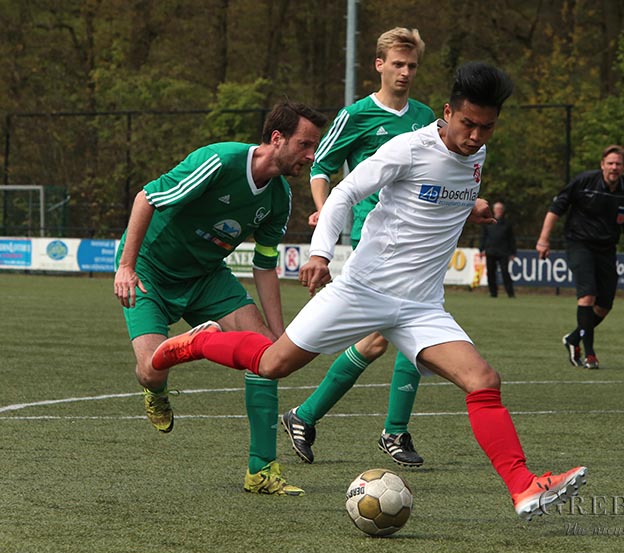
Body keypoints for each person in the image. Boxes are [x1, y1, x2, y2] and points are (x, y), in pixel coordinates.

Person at [150, 62, 587, 520]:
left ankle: (522, 486)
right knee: (272, 363)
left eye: (487, 127)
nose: (476, 136)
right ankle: (199, 342)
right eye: (468, 124)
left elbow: (441, 194)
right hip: (363, 291)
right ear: (447, 112)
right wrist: (321, 254)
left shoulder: (476, 156)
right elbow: (344, 195)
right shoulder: (408, 148)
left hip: (421, 307)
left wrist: (470, 207)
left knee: (483, 380)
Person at [113, 100, 327, 495]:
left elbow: (265, 265)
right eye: (305, 144)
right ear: (276, 138)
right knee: (151, 370)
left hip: (206, 277)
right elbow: (146, 198)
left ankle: (260, 471)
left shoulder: (279, 198)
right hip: (150, 269)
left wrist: (279, 335)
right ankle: (157, 389)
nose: (311, 156)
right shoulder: (219, 162)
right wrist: (126, 267)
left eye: (314, 146)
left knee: (267, 356)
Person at [284, 27, 437, 468]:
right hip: (376, 242)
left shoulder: (426, 116)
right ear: (379, 65)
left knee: (379, 341)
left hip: (417, 241)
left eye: (412, 66)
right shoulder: (355, 116)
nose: (405, 72)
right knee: (410, 333)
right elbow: (321, 168)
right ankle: (392, 431)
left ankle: (305, 416)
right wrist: (324, 211)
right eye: (398, 64)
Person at [535, 145, 624, 369]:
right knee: (588, 295)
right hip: (579, 243)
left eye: (618, 164)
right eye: (610, 163)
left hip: (607, 248)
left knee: (604, 305)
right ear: (602, 165)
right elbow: (556, 208)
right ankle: (589, 354)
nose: (614, 167)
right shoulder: (584, 182)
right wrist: (544, 239)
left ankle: (573, 338)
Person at [478, 201, 516, 298]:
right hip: (490, 251)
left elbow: (511, 239)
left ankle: (510, 293)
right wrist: (481, 249)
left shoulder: (507, 224)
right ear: (494, 210)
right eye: (497, 209)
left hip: (503, 251)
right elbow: (483, 236)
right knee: (491, 273)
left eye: (500, 209)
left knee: (505, 272)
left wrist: (513, 252)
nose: (498, 211)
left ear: (503, 211)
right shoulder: (488, 222)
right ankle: (493, 293)